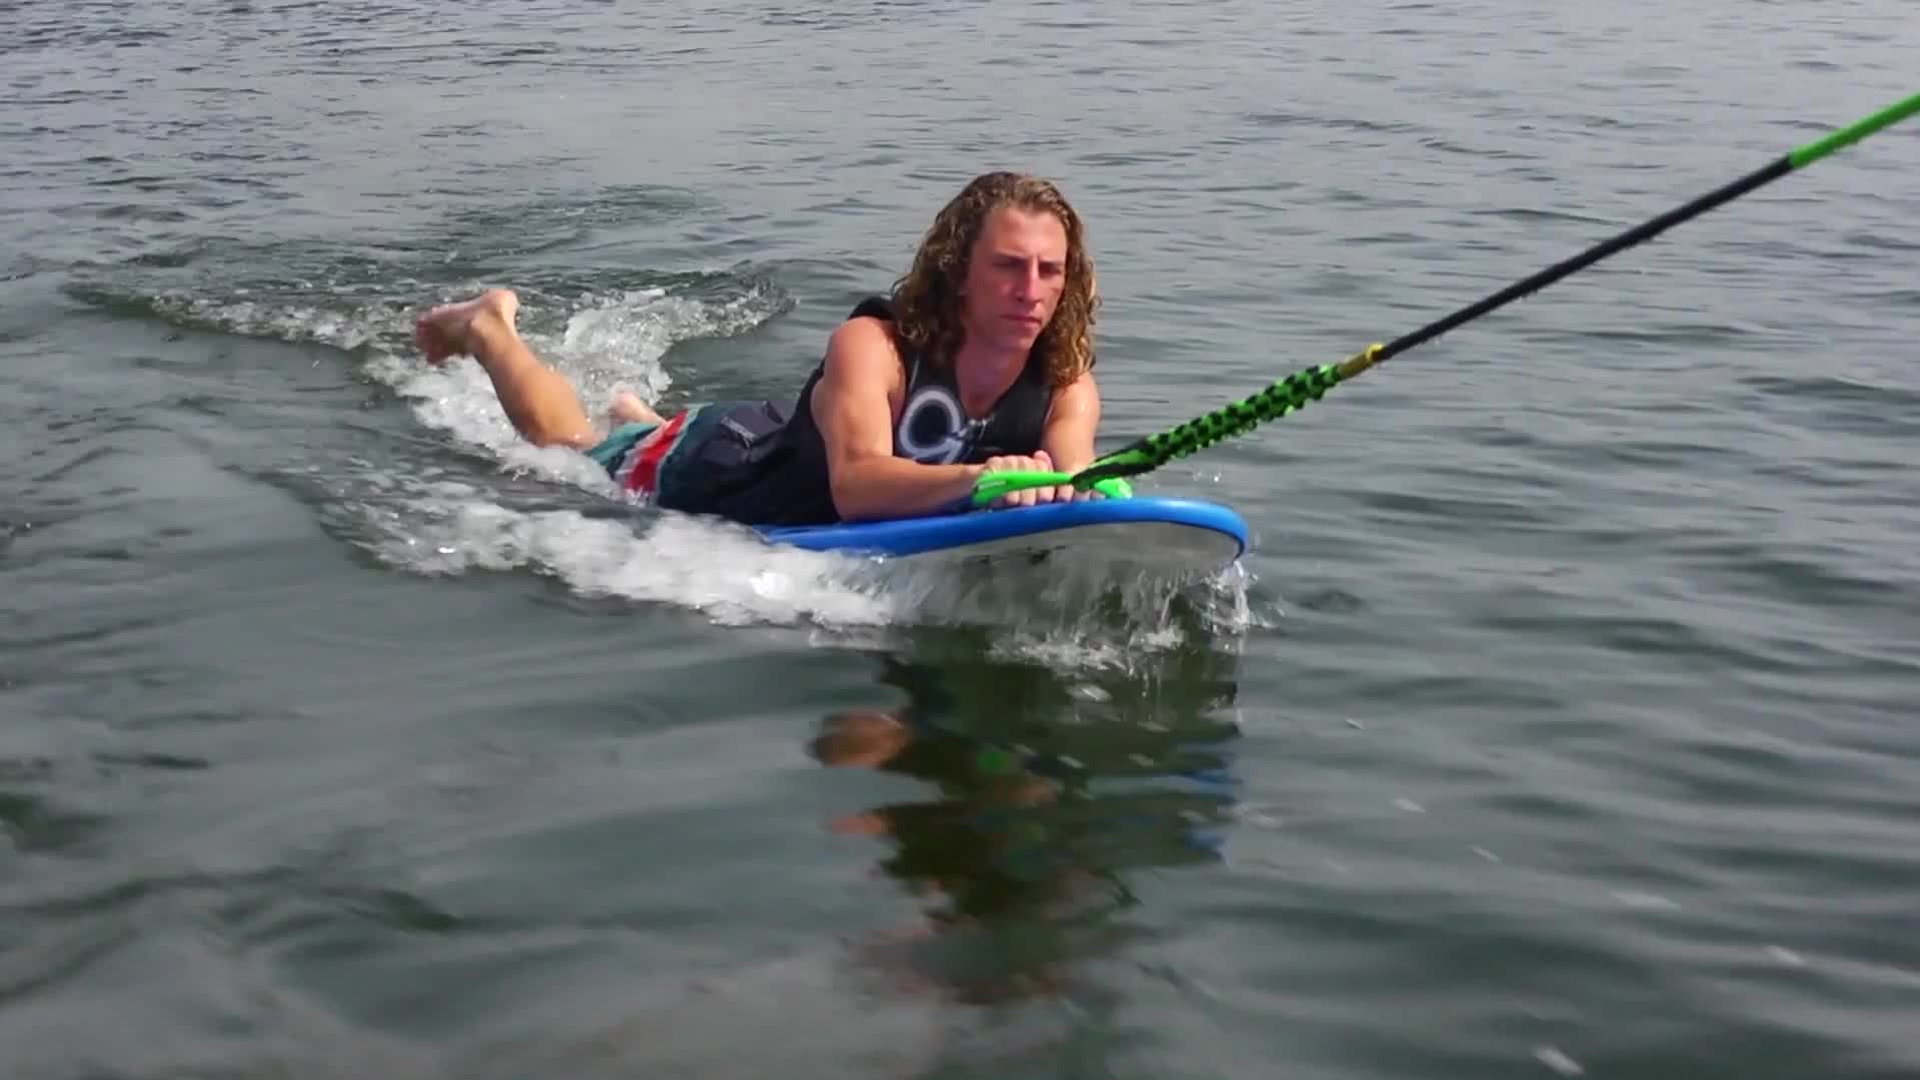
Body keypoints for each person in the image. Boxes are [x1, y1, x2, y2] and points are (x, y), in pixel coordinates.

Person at [412, 171, 1105, 526]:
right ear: (958, 271)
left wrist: (1068, 488)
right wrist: (984, 480)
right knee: (567, 447)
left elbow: (1075, 481)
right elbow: (857, 488)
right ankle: (490, 329)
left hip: (785, 436)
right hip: (722, 474)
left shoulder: (1065, 383)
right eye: (1008, 266)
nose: (1031, 290)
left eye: (1050, 270)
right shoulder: (876, 348)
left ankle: (644, 421)